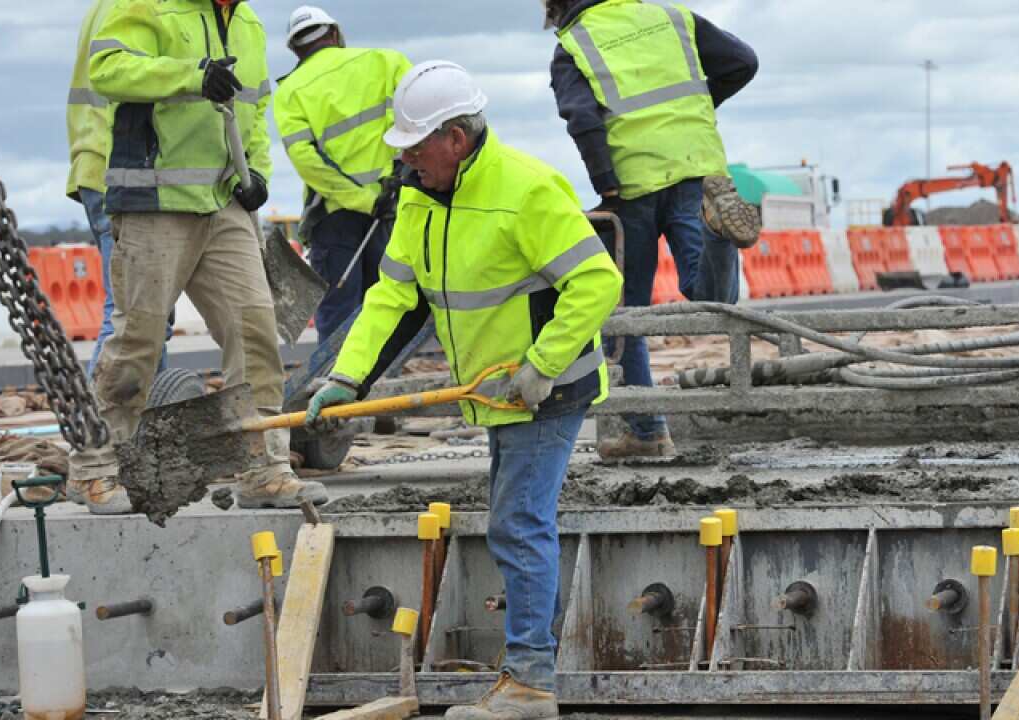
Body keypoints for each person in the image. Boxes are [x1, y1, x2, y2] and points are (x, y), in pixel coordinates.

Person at [306, 61, 621, 720]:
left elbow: (597, 281)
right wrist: (343, 377)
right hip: (495, 393)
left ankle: (531, 685)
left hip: (547, 388)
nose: (409, 157)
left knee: (519, 522)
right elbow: (391, 296)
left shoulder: (526, 189)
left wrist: (540, 365)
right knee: (518, 521)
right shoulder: (419, 199)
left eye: (417, 145)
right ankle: (525, 677)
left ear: (457, 136)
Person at [74, 0, 328, 514]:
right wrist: (191, 76)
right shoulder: (145, 6)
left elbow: (254, 114)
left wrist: (254, 174)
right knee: (138, 338)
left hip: (224, 202)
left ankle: (263, 466)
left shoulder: (249, 26)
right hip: (154, 200)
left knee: (254, 328)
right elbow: (107, 70)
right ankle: (96, 468)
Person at [545, 0, 759, 458]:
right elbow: (743, 62)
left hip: (630, 184)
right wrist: (696, 107)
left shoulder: (574, 43)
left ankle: (647, 433)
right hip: (696, 167)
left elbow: (582, 118)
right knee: (710, 299)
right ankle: (718, 233)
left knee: (623, 314)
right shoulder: (671, 18)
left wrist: (606, 183)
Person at [273, 6, 412, 342]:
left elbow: (308, 161)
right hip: (392, 209)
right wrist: (392, 183)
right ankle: (381, 386)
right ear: (334, 34)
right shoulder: (386, 61)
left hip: (336, 220)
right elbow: (412, 121)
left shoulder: (290, 92)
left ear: (295, 49)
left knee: (339, 318)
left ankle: (339, 391)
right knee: (390, 306)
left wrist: (363, 201)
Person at [65, 0, 173, 381]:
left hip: (98, 165)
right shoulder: (139, 7)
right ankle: (104, 425)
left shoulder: (102, 8)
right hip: (122, 170)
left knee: (143, 317)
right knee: (133, 318)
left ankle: (142, 424)